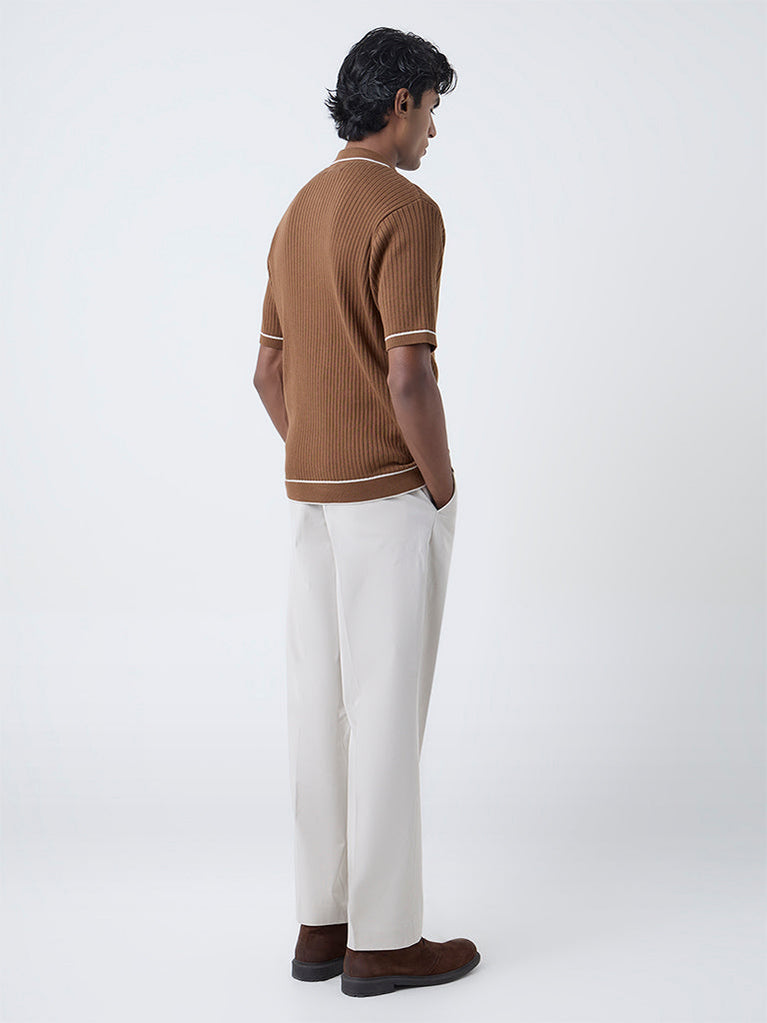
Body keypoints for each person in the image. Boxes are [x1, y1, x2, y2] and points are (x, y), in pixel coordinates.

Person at [253, 26, 480, 997]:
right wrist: (441, 483)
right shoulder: (406, 209)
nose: (432, 130)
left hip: (311, 498)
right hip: (388, 496)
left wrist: (317, 450)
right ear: (399, 103)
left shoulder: (297, 211)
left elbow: (267, 374)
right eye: (431, 108)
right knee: (384, 715)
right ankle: (384, 941)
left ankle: (323, 923)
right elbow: (408, 374)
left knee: (321, 710)